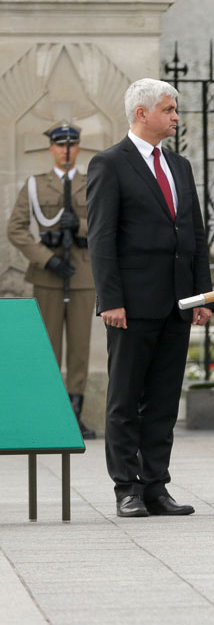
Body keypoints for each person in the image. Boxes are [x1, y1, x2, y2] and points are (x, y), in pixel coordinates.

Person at [87, 79, 212, 518]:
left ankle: (156, 486)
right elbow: (101, 240)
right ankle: (127, 487)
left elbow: (194, 233)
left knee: (162, 400)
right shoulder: (109, 164)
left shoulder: (180, 166)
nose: (176, 117)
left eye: (175, 109)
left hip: (177, 303)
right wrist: (111, 299)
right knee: (125, 398)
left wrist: (201, 294)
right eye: (168, 109)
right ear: (142, 113)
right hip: (132, 304)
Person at [8, 122, 96, 440]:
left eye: (72, 144)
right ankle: (45, 414)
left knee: (79, 349)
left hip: (83, 274)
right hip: (48, 275)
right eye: (60, 145)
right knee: (46, 348)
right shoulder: (35, 185)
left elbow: (106, 223)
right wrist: (48, 259)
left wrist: (81, 226)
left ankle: (74, 415)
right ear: (51, 148)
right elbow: (16, 229)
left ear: (79, 147)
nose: (66, 150)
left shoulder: (92, 183)